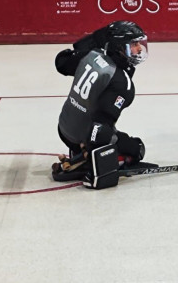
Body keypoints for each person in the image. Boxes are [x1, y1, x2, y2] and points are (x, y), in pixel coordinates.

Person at [53, 21, 153, 189]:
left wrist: (99, 36)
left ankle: (81, 150)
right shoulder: (123, 84)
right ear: (119, 47)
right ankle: (92, 159)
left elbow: (61, 62)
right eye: (134, 44)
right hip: (83, 136)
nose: (139, 49)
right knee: (137, 148)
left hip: (63, 128)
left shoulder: (92, 54)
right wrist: (90, 149)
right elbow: (101, 126)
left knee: (101, 123)